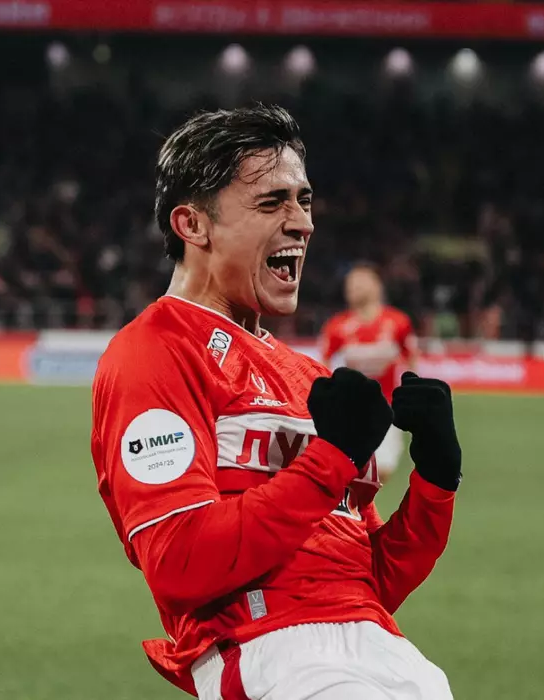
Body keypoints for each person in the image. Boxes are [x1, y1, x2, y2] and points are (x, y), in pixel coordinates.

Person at [90, 106, 462, 699]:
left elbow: (365, 581)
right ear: (193, 224)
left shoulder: (306, 374)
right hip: (270, 653)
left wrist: (435, 486)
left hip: (387, 653)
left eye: (304, 201)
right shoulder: (154, 351)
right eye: (272, 203)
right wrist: (329, 460)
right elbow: (179, 563)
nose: (303, 223)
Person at [318, 264, 419, 476]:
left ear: (375, 286)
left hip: (387, 406)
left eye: (357, 284)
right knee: (347, 466)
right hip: (351, 407)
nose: (351, 289)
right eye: (349, 285)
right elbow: (323, 364)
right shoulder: (337, 325)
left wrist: (412, 393)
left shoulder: (397, 322)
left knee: (383, 468)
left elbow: (411, 358)